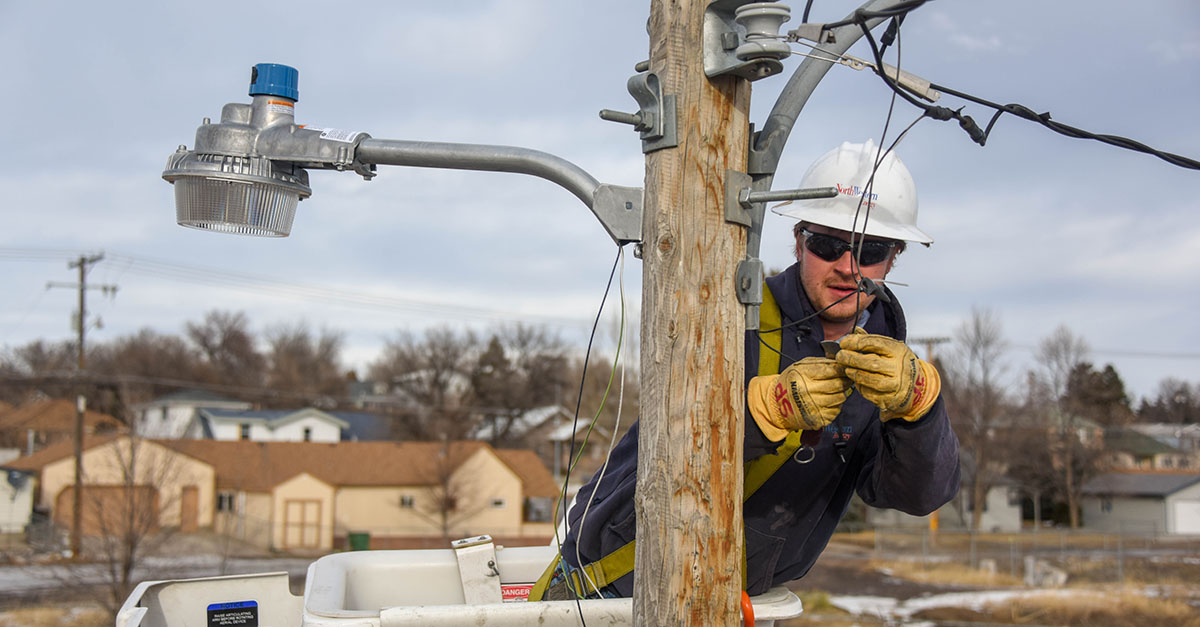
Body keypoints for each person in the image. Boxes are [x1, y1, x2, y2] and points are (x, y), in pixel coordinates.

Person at [533, 139, 961, 600]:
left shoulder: (887, 373)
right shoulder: (732, 316)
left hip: (732, 598)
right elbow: (664, 452)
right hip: (618, 583)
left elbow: (914, 496)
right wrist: (759, 415)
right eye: (828, 244)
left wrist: (919, 412)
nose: (847, 267)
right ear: (799, 241)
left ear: (894, 257)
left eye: (869, 250)